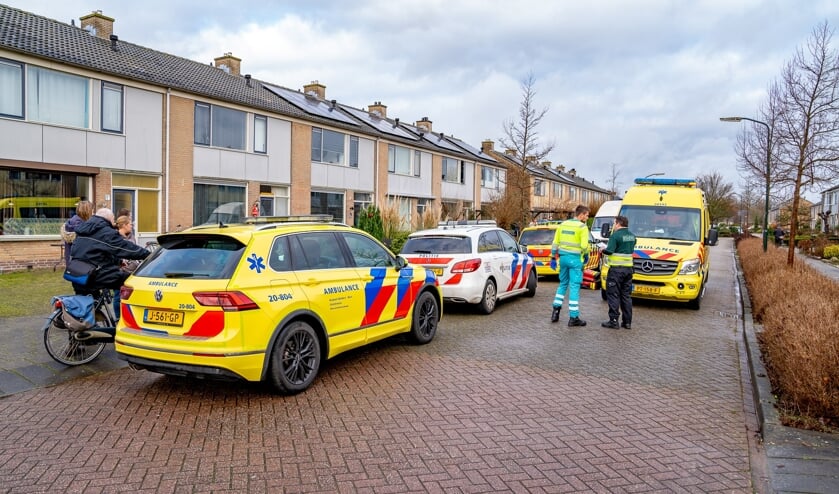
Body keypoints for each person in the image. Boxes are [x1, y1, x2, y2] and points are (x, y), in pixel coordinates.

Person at [70, 208, 150, 320]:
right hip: (95, 274)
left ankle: (87, 330)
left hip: (77, 273)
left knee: (88, 306)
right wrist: (149, 255)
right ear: (107, 218)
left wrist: (118, 261)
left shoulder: (84, 229)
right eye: (112, 219)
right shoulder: (104, 231)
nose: (113, 222)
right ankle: (130, 318)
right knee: (130, 281)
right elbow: (124, 247)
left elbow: (94, 252)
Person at [550, 205, 590, 326]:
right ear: (581, 214)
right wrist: (586, 255)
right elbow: (584, 246)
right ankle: (573, 317)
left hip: (563, 259)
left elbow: (555, 243)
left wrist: (552, 257)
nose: (587, 218)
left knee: (562, 284)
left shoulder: (563, 225)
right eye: (587, 215)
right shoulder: (582, 227)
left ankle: (555, 312)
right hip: (575, 260)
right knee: (574, 286)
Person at [601, 215, 636, 330]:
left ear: (618, 224)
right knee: (626, 296)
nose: (613, 225)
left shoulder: (615, 236)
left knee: (613, 295)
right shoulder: (632, 236)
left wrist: (602, 249)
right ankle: (627, 322)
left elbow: (610, 251)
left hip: (616, 271)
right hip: (628, 270)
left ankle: (614, 321)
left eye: (614, 223)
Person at [61, 200, 93, 265]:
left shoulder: (71, 223)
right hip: (81, 263)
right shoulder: (82, 226)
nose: (93, 212)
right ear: (87, 211)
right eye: (91, 210)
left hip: (71, 262)